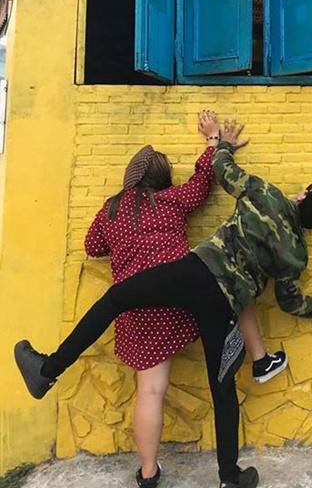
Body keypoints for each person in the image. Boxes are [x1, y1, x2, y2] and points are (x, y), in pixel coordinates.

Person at [15, 119, 312, 488]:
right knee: (222, 388)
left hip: (194, 273)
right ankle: (230, 476)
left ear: (303, 197)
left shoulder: (266, 193)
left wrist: (220, 143)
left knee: (116, 298)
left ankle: (48, 369)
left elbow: (223, 170)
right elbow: (290, 302)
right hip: (223, 306)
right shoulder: (297, 255)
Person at [81, 111, 286, 488]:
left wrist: (123, 241)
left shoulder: (110, 211)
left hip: (136, 310)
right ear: (162, 179)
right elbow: (202, 183)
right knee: (233, 287)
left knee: (150, 391)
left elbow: (92, 246)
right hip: (182, 306)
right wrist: (214, 141)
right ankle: (258, 364)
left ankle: (148, 474)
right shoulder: (171, 200)